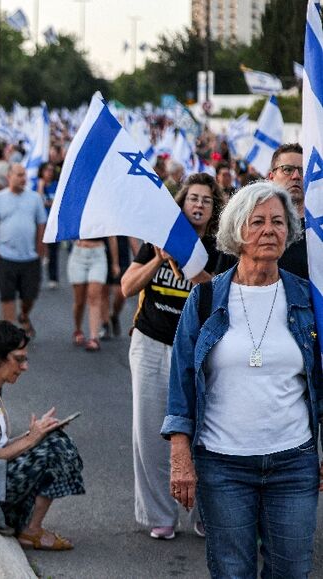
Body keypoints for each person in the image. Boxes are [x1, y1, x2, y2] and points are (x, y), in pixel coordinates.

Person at [164, 181, 323, 578]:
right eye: (258, 221)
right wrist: (181, 459)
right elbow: (181, 384)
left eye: (278, 222)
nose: (269, 230)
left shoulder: (308, 300)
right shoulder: (204, 301)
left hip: (293, 462)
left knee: (292, 571)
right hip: (223, 465)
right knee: (232, 570)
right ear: (237, 230)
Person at [120, 173, 223, 540]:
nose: (197, 204)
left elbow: (216, 296)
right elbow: (127, 287)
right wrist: (159, 259)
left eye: (206, 200)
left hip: (198, 348)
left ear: (214, 209)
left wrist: (188, 262)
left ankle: (203, 513)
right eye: (192, 198)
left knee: (203, 430)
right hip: (150, 342)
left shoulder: (218, 246)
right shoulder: (157, 240)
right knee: (148, 429)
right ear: (181, 203)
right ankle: (158, 515)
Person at [0, 321, 84, 551]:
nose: (24, 367)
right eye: (19, 359)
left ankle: (27, 525)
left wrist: (33, 435)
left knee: (52, 439)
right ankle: (30, 530)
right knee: (55, 449)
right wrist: (30, 440)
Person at [216, 143, 307, 279]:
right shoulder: (243, 224)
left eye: (302, 170)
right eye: (287, 169)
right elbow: (219, 287)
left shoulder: (317, 232)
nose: (296, 176)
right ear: (271, 177)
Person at [0, 163, 48, 338]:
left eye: (24, 175)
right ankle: (11, 332)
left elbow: (41, 224)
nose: (23, 178)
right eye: (19, 175)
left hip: (30, 258)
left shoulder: (35, 198)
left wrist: (40, 250)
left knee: (30, 296)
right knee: (7, 296)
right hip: (6, 256)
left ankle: (25, 315)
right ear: (9, 176)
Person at [67, 237, 118, 351]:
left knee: (94, 297)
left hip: (98, 254)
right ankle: (78, 329)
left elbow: (112, 238)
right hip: (79, 253)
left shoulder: (104, 217)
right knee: (79, 301)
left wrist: (115, 263)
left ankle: (94, 337)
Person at [37, 162, 60, 289]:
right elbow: (37, 202)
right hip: (40, 223)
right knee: (38, 250)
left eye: (51, 170)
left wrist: (49, 203)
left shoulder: (57, 185)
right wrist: (40, 187)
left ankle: (53, 277)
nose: (49, 173)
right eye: (47, 170)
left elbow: (56, 203)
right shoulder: (37, 184)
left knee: (53, 251)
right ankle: (36, 277)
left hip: (52, 223)